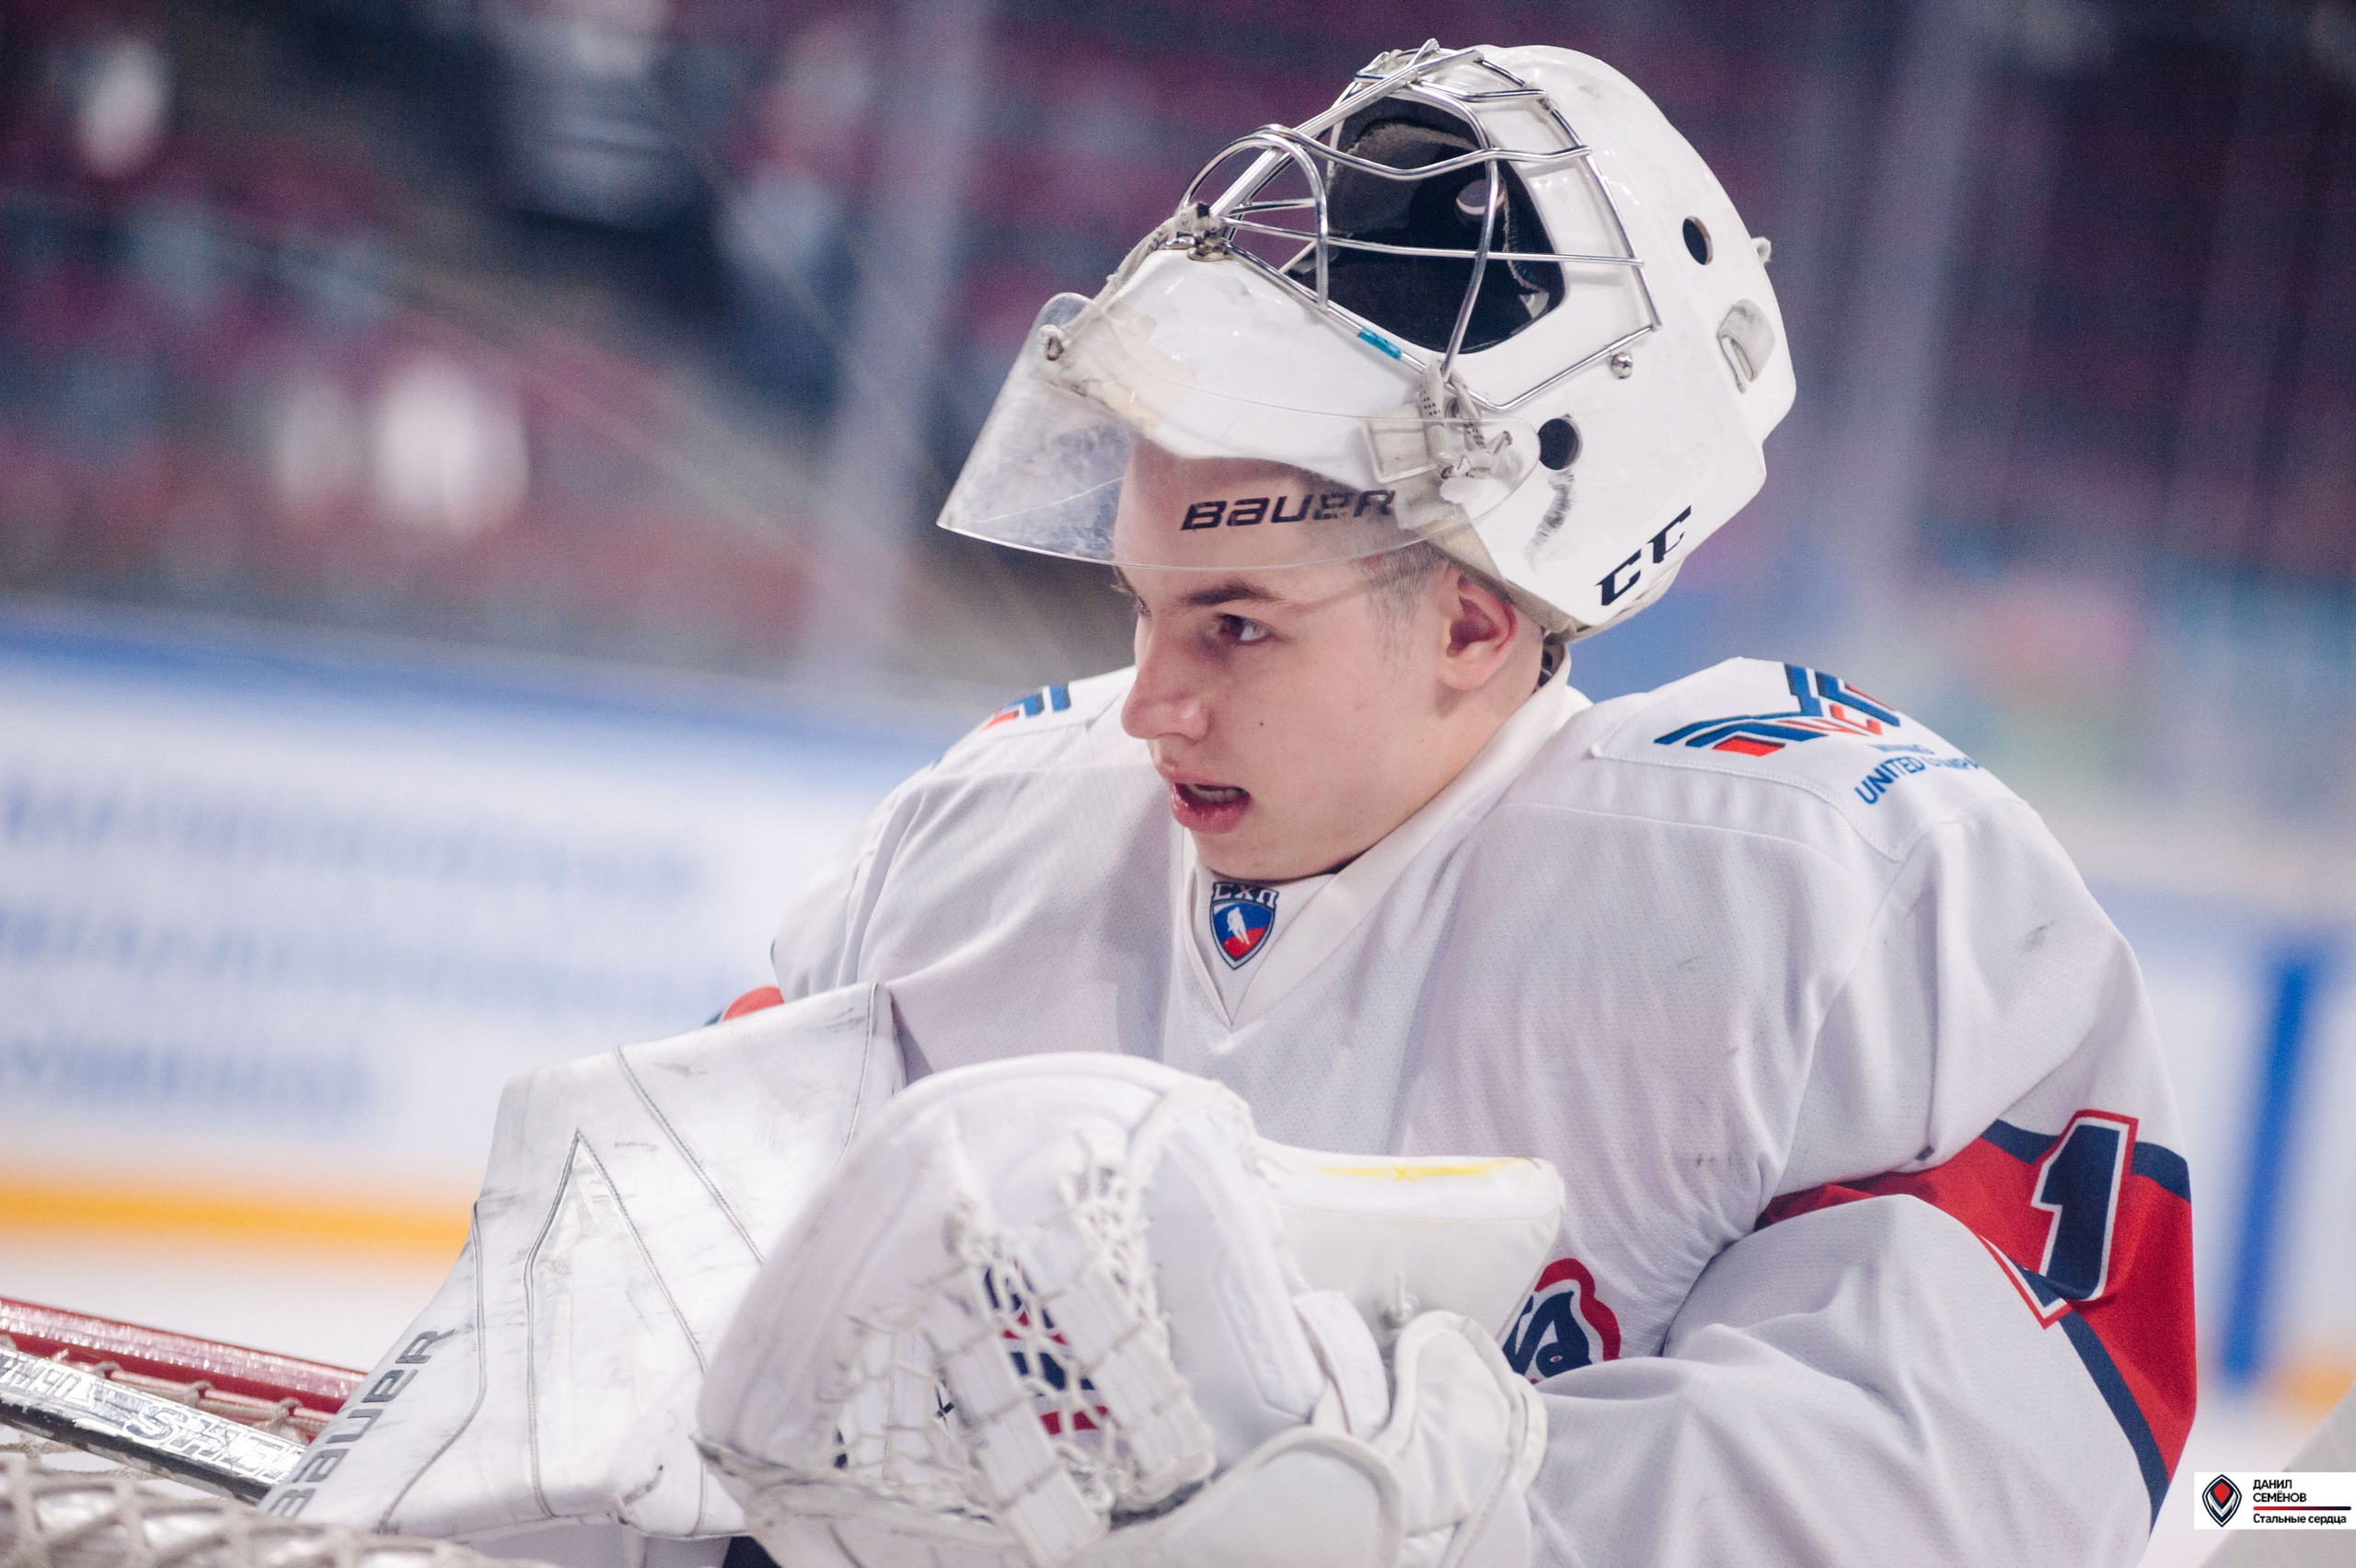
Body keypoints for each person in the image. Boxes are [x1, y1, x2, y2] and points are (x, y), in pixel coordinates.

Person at [728, 39, 2194, 1568]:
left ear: (1475, 627)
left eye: (1237, 624)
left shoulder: (1826, 888)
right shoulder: (985, 837)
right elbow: (659, 1272)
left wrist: (1432, 1499)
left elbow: (1989, 1489)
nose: (1150, 703)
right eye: (1140, 609)